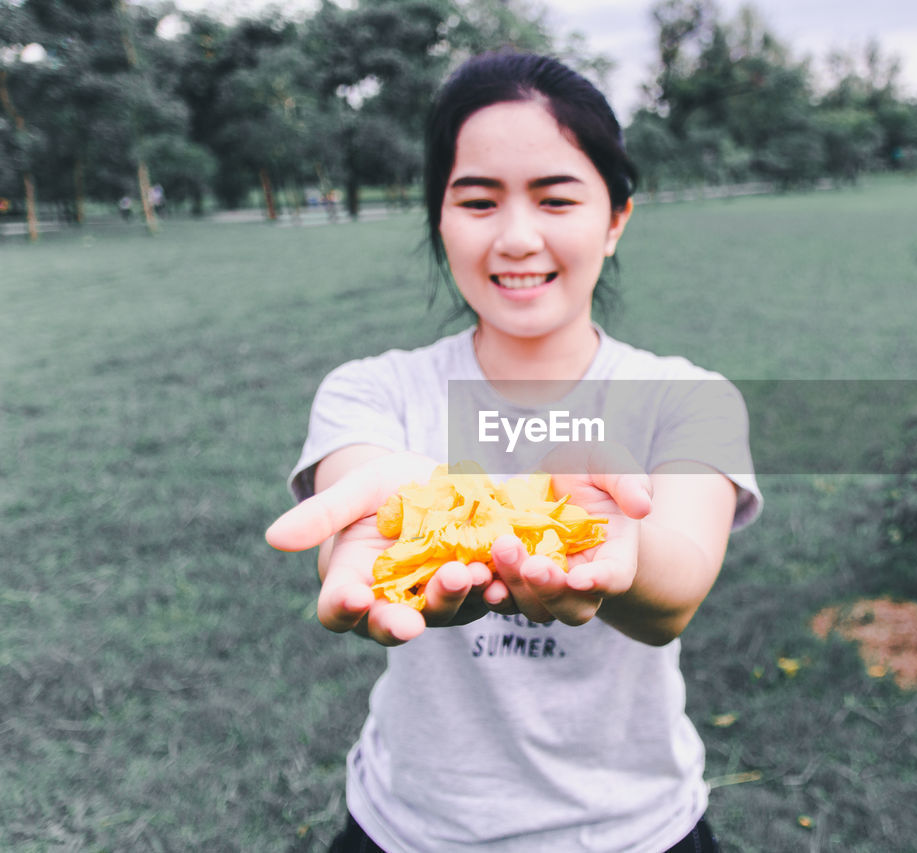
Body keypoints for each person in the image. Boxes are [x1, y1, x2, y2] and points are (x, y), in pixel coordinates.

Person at [265, 51, 761, 853]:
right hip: (411, 828)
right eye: (478, 200)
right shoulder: (372, 391)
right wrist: (394, 529)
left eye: (557, 197)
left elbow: (676, 591)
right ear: (439, 218)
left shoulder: (688, 396)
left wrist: (619, 547)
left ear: (615, 218)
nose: (517, 237)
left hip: (634, 831)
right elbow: (361, 507)